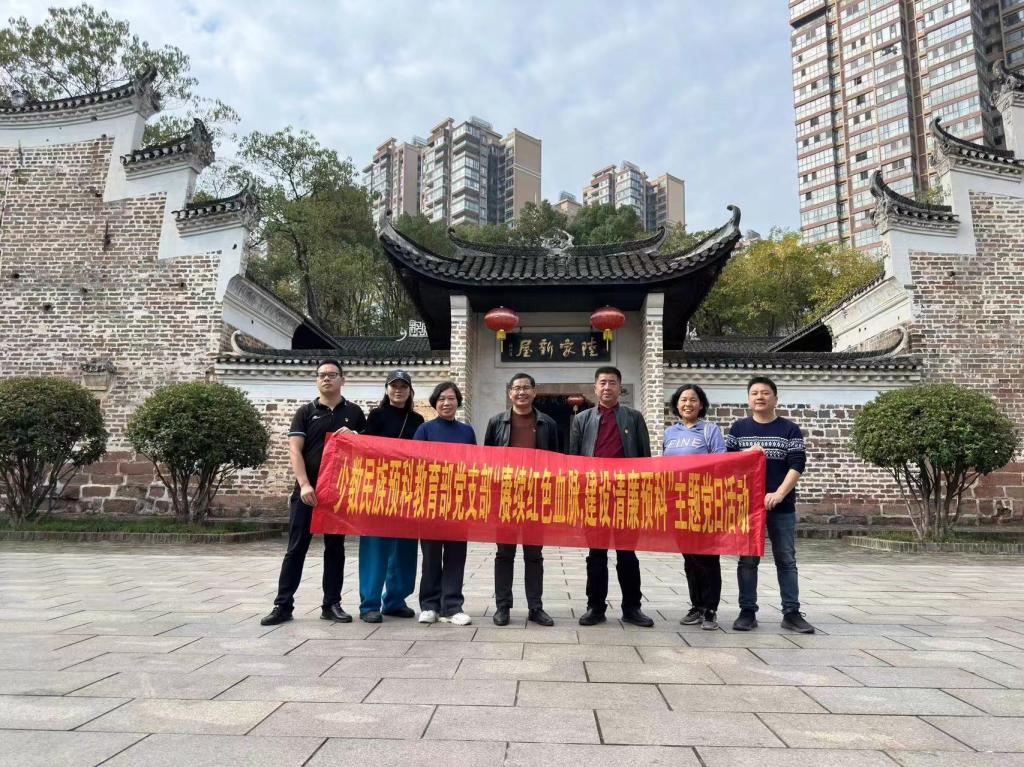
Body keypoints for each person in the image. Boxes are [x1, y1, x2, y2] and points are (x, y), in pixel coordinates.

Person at [261, 360, 367, 626]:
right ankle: (282, 605)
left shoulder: (354, 412)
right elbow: (295, 450)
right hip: (307, 492)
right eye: (322, 375)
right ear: (316, 380)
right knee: (296, 548)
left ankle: (331, 604)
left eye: (332, 375)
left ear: (343, 380)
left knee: (335, 549)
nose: (326, 379)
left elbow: (367, 450)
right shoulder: (306, 412)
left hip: (338, 493)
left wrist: (355, 434)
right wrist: (305, 484)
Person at [727, 376, 815, 634]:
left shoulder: (789, 429)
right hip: (747, 507)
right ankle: (747, 612)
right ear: (748, 399)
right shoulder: (738, 429)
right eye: (754, 393)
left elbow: (797, 464)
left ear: (775, 398)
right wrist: (746, 454)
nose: (760, 397)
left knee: (786, 559)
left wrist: (779, 493)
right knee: (747, 560)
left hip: (782, 505)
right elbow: (727, 463)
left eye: (765, 393)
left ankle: (791, 613)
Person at [569, 366, 655, 628]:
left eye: (612, 383)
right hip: (594, 496)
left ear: (620, 388)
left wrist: (644, 494)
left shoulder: (634, 418)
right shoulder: (582, 419)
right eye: (603, 383)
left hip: (627, 496)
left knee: (627, 554)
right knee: (596, 554)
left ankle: (632, 608)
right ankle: (595, 607)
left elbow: (645, 458)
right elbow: (574, 460)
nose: (607, 387)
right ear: (595, 388)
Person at [484, 372, 559, 627]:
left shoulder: (548, 423)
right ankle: (502, 607)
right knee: (504, 554)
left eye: (526, 388)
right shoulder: (497, 422)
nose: (521, 392)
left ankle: (535, 608)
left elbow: (557, 462)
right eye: (516, 388)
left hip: (536, 498)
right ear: (510, 393)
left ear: (534, 392)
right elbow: (487, 462)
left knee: (534, 555)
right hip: (506, 498)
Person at [357, 370, 426, 623]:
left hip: (408, 491)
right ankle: (370, 604)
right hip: (379, 489)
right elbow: (365, 446)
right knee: (376, 548)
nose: (398, 390)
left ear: (410, 391)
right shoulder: (376, 415)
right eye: (394, 385)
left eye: (403, 386)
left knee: (404, 548)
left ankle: (395, 600)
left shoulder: (418, 420)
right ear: (386, 389)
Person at [663, 383, 727, 631]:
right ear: (676, 404)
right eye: (683, 400)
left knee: (707, 556)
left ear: (701, 405)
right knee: (689, 557)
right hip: (678, 504)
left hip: (704, 502)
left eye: (692, 400)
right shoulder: (670, 433)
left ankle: (710, 609)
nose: (687, 404)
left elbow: (721, 465)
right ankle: (697, 605)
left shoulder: (710, 430)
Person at [413, 381, 477, 626]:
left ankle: (452, 606)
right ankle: (429, 605)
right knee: (430, 555)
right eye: (441, 399)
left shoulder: (466, 432)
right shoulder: (425, 430)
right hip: (430, 501)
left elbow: (474, 465)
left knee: (455, 555)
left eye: (451, 398)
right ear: (435, 403)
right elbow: (415, 465)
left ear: (457, 402)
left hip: (459, 502)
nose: (446, 403)